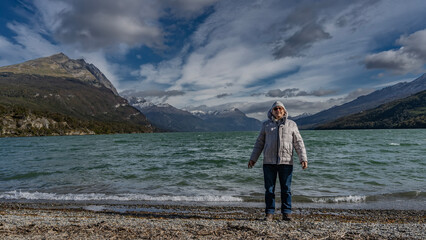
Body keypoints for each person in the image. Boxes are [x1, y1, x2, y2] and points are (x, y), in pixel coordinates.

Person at [248, 101, 308, 221]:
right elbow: (259, 143)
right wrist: (253, 158)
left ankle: (286, 213)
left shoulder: (291, 124)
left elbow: (298, 143)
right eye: (275, 109)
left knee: (286, 189)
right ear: (271, 111)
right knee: (269, 190)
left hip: (286, 162)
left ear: (284, 111)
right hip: (268, 162)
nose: (278, 110)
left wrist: (303, 158)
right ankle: (269, 213)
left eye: (280, 108)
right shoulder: (266, 125)